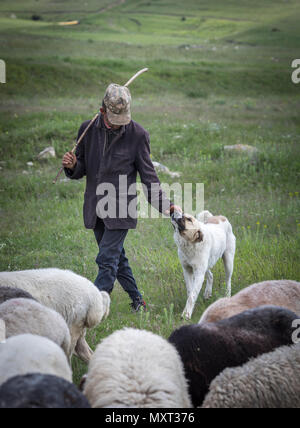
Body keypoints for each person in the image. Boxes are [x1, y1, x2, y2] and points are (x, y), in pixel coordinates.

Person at [63, 83, 181, 312]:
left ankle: (93, 309)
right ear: (102, 110)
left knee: (106, 260)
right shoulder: (87, 129)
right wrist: (73, 165)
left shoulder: (138, 135)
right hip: (96, 206)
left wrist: (165, 205)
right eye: (113, 117)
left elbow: (149, 176)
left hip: (120, 208)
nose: (118, 123)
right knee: (117, 258)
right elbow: (81, 169)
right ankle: (138, 301)